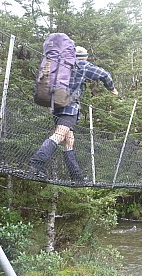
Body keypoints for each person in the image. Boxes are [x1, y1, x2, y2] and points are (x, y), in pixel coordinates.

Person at [29, 45, 118, 182]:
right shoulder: (81, 65)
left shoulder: (60, 64)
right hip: (69, 107)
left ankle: (76, 176)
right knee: (59, 135)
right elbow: (104, 75)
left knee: (69, 139)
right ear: (84, 57)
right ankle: (36, 164)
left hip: (56, 105)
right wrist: (112, 89)